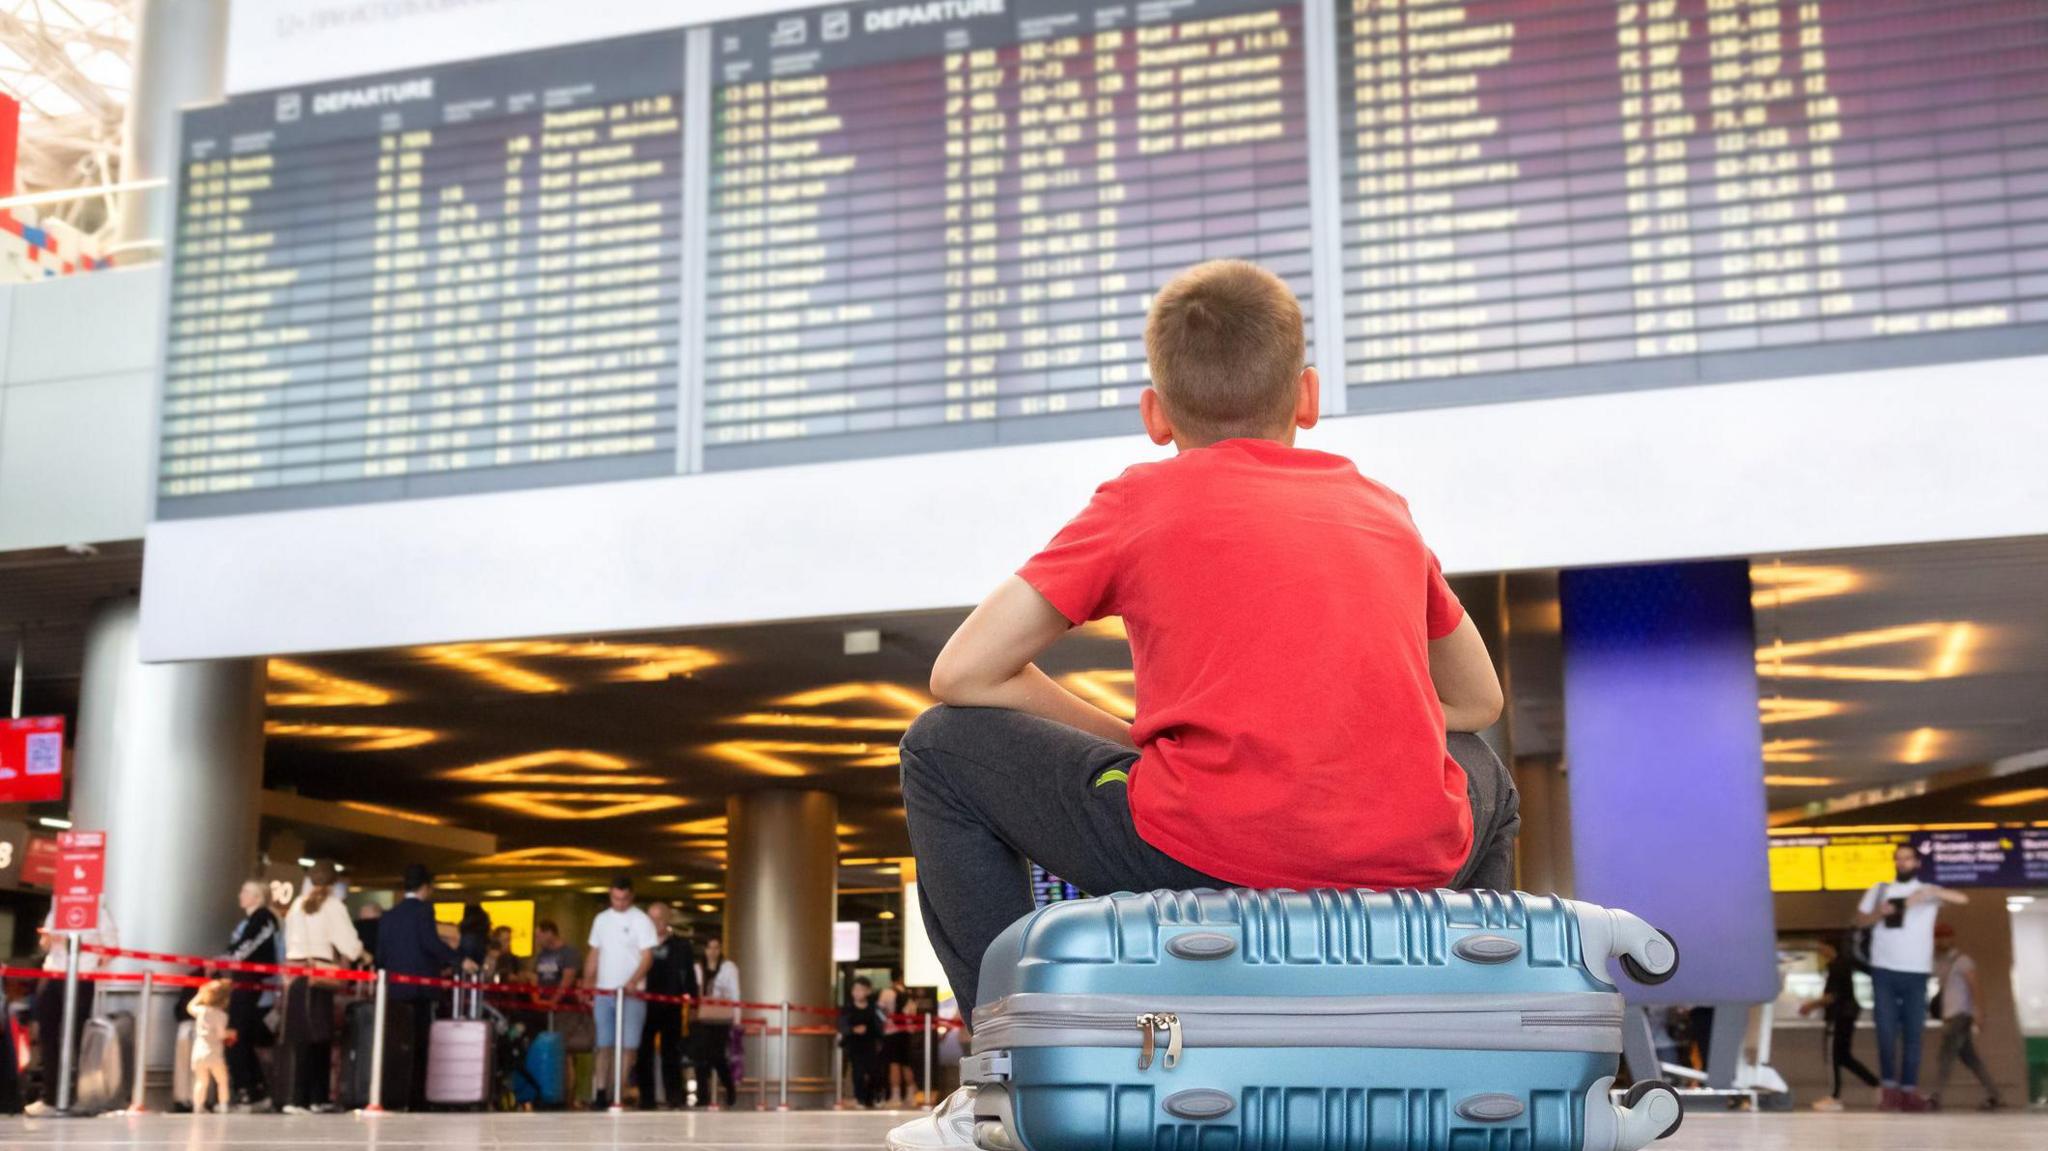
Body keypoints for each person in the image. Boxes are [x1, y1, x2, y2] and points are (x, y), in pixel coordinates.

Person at [887, 260, 1511, 1149]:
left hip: (1205, 851)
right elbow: (1477, 698)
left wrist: (1136, 742)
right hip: (1403, 864)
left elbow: (965, 673)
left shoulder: (1139, 499)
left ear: (1156, 413)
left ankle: (1010, 1075)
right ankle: (1472, 1042)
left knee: (940, 750)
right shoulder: (1382, 508)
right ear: (1308, 395)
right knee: (1483, 771)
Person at [1855, 843, 1968, 1112]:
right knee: (1885, 1031)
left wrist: (1931, 892)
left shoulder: (1926, 891)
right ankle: (1889, 1089)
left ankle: (1908, 1091)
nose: (1903, 863)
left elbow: (1962, 899)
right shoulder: (1880, 889)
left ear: (1917, 863)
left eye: (1908, 859)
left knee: (1913, 1034)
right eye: (1898, 859)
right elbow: (1860, 922)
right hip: (1883, 969)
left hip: (1917, 971)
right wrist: (1879, 913)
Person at [376, 864, 473, 1108]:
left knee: (396, 1045)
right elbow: (430, 943)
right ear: (425, 887)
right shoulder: (423, 911)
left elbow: (381, 955)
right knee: (420, 1045)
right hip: (419, 991)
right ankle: (417, 1099)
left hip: (394, 991)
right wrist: (459, 959)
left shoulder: (389, 915)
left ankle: (392, 1096)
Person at [277, 861, 362, 1114]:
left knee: (299, 1038)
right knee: (320, 1037)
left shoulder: (296, 905)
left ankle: (295, 1097)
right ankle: (316, 1097)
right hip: (320, 975)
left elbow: (287, 939)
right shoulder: (333, 906)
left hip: (295, 977)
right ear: (334, 882)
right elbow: (349, 944)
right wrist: (360, 953)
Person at [26, 895, 118, 1116]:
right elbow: (44, 944)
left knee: (77, 1036)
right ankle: (50, 1097)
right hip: (53, 973)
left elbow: (111, 948)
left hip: (82, 976)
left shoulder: (98, 909)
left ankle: (78, 1095)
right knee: (48, 1035)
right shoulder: (58, 904)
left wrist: (93, 964)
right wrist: (51, 939)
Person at [585, 875, 656, 1110]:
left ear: (631, 896)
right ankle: (600, 1092)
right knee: (603, 1043)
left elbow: (647, 957)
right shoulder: (601, 920)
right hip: (605, 992)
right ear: (610, 894)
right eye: (616, 899)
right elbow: (594, 953)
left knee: (628, 1046)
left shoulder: (641, 920)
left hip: (632, 995)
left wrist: (633, 981)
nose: (620, 903)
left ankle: (618, 1090)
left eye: (624, 899)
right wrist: (588, 981)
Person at [1929, 925, 2004, 1111]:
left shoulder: (1963, 961)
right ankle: (1994, 1095)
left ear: (1951, 938)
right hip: (1951, 1017)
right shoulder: (1940, 963)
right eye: (1937, 938)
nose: (1940, 941)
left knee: (1945, 1055)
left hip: (1961, 1015)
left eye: (1944, 937)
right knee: (1971, 1059)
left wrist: (1980, 1012)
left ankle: (1935, 1097)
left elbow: (1975, 986)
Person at [1799, 937, 1877, 1111]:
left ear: (1830, 947)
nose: (1820, 952)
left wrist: (1810, 1006)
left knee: (1833, 1056)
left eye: (1821, 948)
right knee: (1844, 1056)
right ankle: (1875, 1084)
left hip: (1839, 1015)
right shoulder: (1844, 965)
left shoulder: (1837, 966)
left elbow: (1832, 995)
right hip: (1848, 1015)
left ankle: (1834, 1096)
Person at [222, 880, 280, 1107]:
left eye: (245, 891)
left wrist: (225, 961)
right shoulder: (250, 921)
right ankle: (255, 1087)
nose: (240, 894)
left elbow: (246, 948)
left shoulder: (263, 918)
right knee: (240, 1037)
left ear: (258, 897)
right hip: (247, 984)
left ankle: (249, 1089)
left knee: (237, 1035)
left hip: (253, 984)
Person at [635, 901, 697, 1110]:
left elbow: (688, 976)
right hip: (644, 1005)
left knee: (671, 1052)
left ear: (667, 919)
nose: (656, 923)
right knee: (644, 1053)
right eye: (651, 919)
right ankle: (646, 1097)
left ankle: (674, 1096)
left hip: (671, 1005)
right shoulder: (641, 945)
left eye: (660, 919)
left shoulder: (681, 946)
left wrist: (693, 1002)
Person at [692, 936, 739, 1109]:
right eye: (709, 947)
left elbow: (735, 993)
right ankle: (702, 1096)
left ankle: (729, 1087)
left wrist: (736, 1018)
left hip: (721, 1019)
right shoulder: (697, 968)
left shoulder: (729, 968)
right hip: (702, 1018)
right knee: (700, 1059)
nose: (713, 951)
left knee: (717, 1056)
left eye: (716, 948)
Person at [187, 979, 234, 1114]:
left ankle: (198, 1106)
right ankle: (223, 1104)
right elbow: (220, 1034)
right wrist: (229, 1033)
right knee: (222, 1080)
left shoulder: (201, 1011)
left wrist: (199, 995)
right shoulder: (221, 1015)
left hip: (198, 1050)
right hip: (213, 1052)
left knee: (201, 1080)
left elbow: (190, 1007)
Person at [840, 976, 886, 1109]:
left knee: (874, 1072)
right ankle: (860, 1099)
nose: (858, 992)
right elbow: (842, 1025)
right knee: (858, 1073)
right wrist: (853, 1029)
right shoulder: (848, 1008)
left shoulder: (874, 1008)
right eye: (855, 989)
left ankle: (874, 1097)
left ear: (868, 991)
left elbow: (881, 1023)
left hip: (871, 1044)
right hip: (854, 1045)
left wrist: (880, 1039)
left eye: (861, 990)